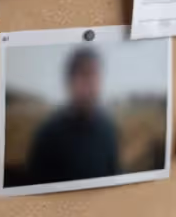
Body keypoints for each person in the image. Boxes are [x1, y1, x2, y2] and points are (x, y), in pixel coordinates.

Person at [26, 48, 121, 184]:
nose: (91, 83)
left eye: (94, 75)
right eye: (84, 75)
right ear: (69, 82)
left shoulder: (108, 129)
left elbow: (114, 175)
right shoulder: (49, 135)